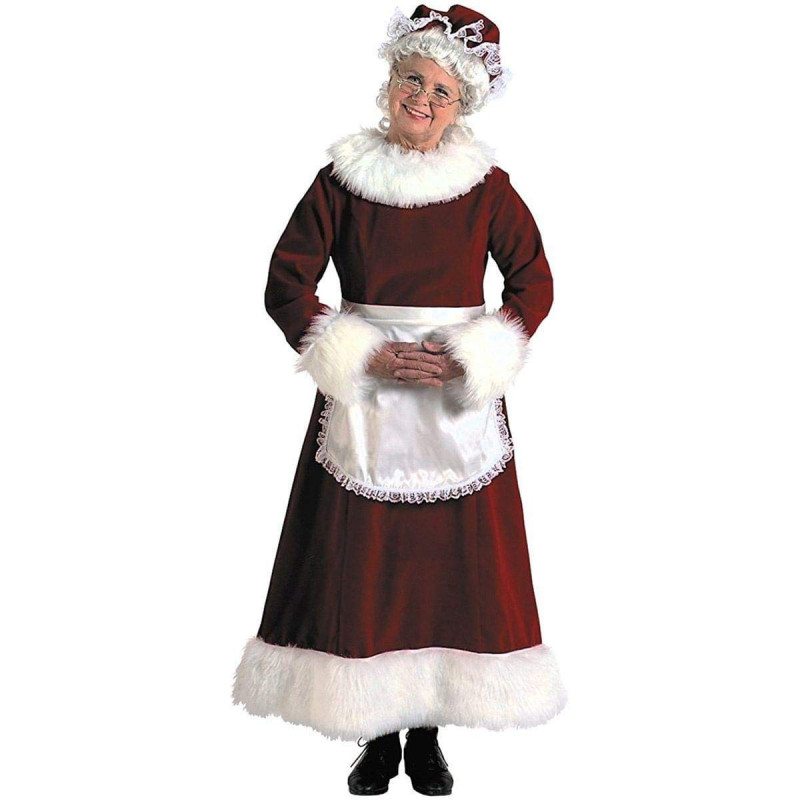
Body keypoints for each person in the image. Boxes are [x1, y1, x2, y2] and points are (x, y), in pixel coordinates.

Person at [232, 4, 567, 795]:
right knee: (365, 562)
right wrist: (360, 352)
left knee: (447, 570)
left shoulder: (487, 189)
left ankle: (427, 735)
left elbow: (534, 282)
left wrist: (470, 357)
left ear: (462, 106)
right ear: (389, 82)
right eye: (412, 80)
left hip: (456, 405)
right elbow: (286, 282)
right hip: (366, 400)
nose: (422, 99)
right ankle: (376, 737)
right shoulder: (340, 182)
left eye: (442, 91)